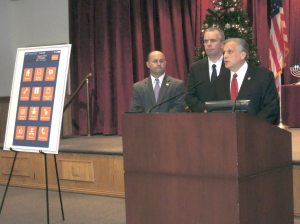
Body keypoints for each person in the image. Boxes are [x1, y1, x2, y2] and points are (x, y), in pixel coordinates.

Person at [214, 38, 279, 124]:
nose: (225, 56)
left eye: (229, 52)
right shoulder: (219, 80)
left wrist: (253, 128)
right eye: (224, 52)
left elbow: (270, 108)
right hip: (227, 132)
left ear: (242, 55)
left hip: (257, 132)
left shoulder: (263, 76)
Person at [186, 27, 229, 112]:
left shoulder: (231, 65)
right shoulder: (195, 68)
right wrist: (204, 109)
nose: (208, 44)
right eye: (206, 41)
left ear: (222, 44)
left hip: (228, 116)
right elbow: (190, 96)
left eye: (213, 41)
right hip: (203, 118)